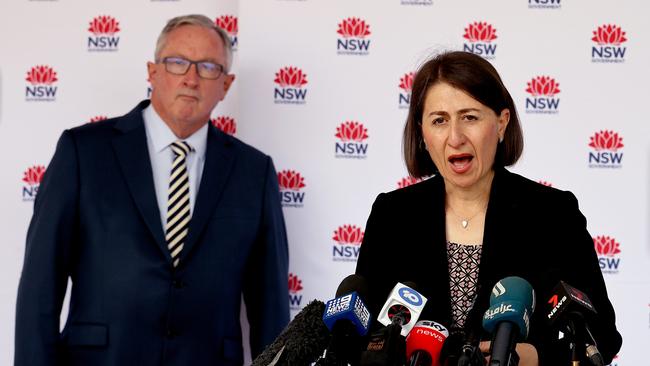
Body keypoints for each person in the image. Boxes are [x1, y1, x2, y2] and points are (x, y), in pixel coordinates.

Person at [15, 14, 289, 366]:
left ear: (226, 84)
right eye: (177, 63)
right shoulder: (83, 152)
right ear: (153, 71)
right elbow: (40, 286)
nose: (191, 78)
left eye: (208, 67)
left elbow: (270, 306)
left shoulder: (254, 172)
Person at [355, 51, 621, 365]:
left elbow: (601, 334)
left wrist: (536, 356)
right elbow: (363, 331)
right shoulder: (392, 215)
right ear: (422, 133)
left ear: (501, 123)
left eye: (470, 117)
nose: (455, 137)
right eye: (439, 120)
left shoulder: (553, 215)